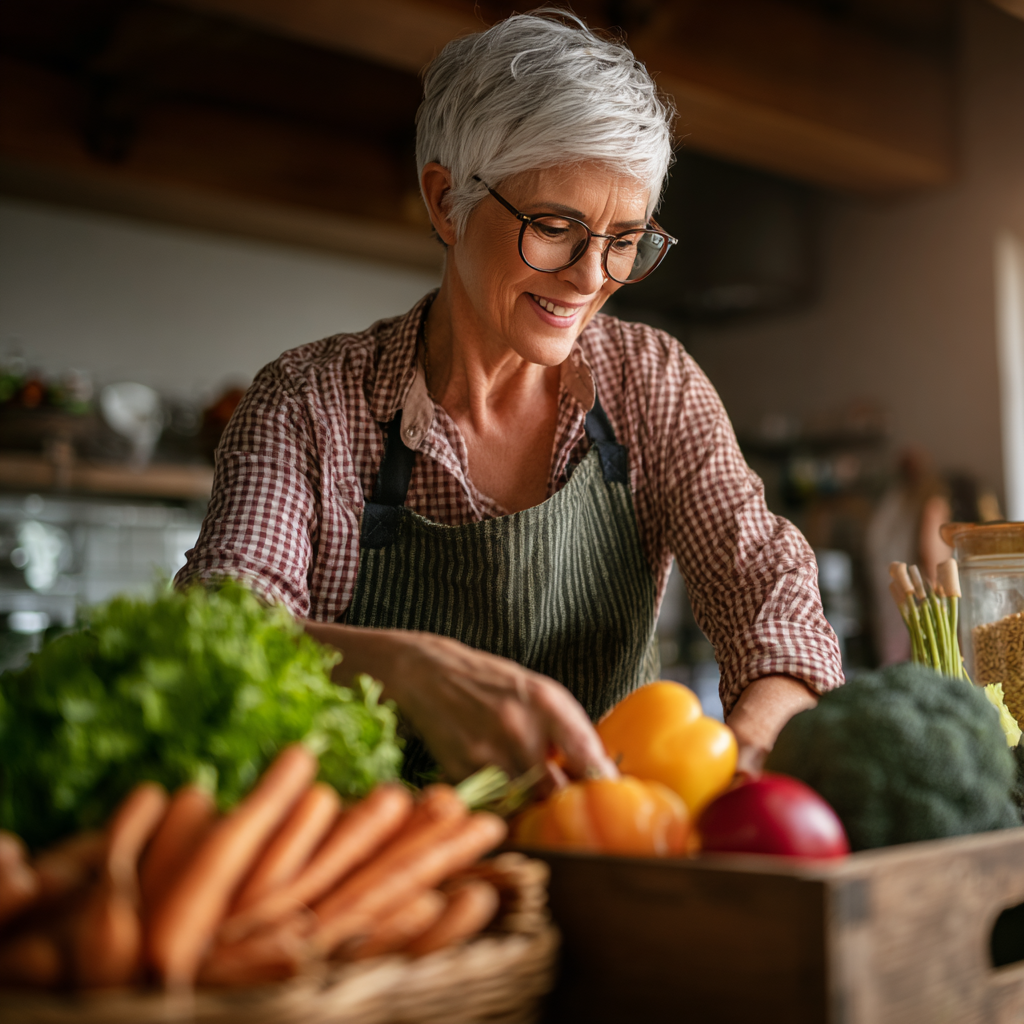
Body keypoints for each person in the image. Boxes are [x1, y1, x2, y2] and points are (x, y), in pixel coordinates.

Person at [176, 12, 843, 782]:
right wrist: (408, 669)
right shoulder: (310, 403)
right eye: (555, 227)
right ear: (445, 202)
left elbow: (768, 591)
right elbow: (220, 628)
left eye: (624, 240)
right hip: (367, 866)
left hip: (606, 849)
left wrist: (753, 747)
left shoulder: (650, 381)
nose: (592, 277)